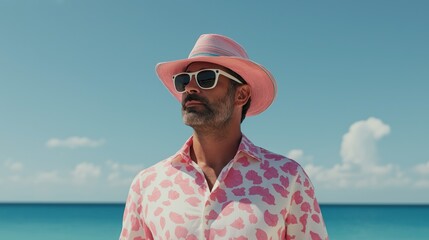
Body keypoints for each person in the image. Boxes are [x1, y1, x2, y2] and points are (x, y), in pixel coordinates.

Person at [120, 34, 328, 240]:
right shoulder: (148, 184)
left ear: (241, 95)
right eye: (183, 81)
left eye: (206, 78)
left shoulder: (287, 178)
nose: (190, 88)